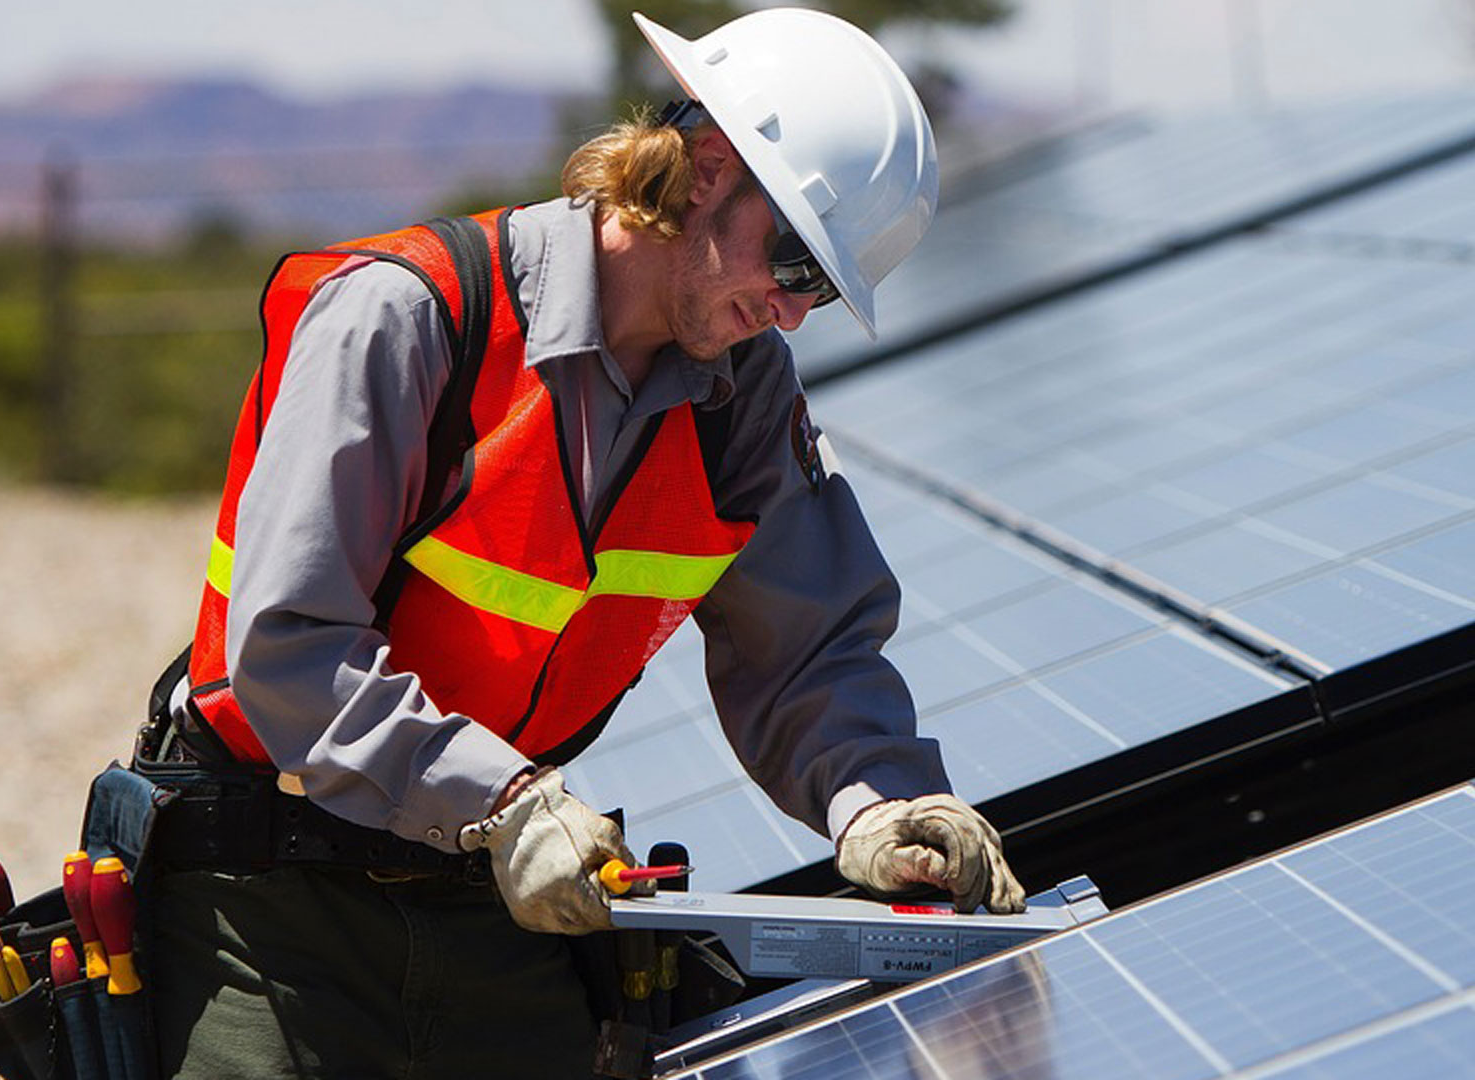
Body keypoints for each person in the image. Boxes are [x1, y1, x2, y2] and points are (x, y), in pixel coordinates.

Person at [139, 8, 1024, 1078]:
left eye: (823, 290)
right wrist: (500, 801)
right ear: (703, 170)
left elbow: (808, 650)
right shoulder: (409, 318)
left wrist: (884, 800)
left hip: (494, 899)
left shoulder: (738, 397)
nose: (791, 314)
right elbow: (285, 648)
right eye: (793, 261)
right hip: (271, 896)